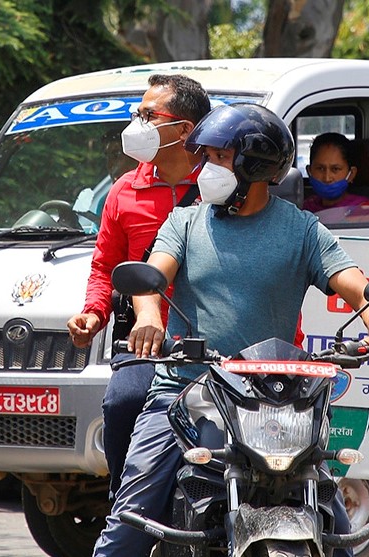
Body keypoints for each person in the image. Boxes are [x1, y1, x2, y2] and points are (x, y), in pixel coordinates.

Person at [92, 103, 369, 556]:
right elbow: (151, 276)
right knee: (129, 526)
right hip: (185, 393)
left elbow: (359, 288)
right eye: (208, 156)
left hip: (275, 401)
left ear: (252, 165)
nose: (206, 168)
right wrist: (148, 317)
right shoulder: (185, 221)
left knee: (336, 534)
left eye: (218, 158)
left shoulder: (302, 230)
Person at [66, 74, 211, 496]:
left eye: (149, 115)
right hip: (147, 345)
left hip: (216, 342)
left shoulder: (221, 189)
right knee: (123, 403)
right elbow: (105, 266)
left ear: (184, 129)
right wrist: (93, 314)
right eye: (137, 114)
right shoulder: (123, 191)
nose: (138, 124)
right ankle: (123, 504)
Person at [302, 132, 369, 218]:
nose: (327, 178)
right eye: (320, 168)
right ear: (309, 171)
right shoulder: (305, 207)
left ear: (351, 174)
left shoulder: (362, 209)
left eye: (335, 169)